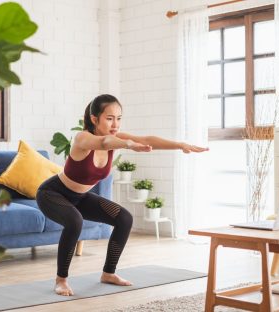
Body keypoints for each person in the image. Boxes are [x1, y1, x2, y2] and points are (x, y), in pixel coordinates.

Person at [36, 94, 209, 296]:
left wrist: (180, 145)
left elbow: (146, 139)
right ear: (94, 119)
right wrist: (127, 144)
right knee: (74, 221)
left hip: (80, 197)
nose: (115, 124)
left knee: (124, 218)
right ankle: (61, 280)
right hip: (52, 193)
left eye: (119, 118)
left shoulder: (116, 136)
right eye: (109, 118)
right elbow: (104, 142)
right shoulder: (82, 138)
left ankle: (108, 273)